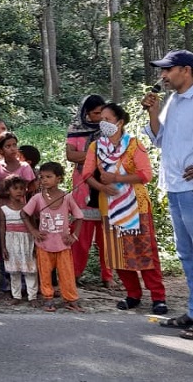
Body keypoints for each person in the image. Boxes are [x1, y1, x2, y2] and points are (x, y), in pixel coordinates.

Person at [83, 103, 167, 315]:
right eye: (101, 119)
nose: (104, 123)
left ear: (120, 122)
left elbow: (145, 175)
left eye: (108, 119)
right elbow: (86, 175)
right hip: (109, 206)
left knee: (145, 251)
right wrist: (102, 186)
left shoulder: (134, 144)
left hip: (136, 206)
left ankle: (158, 297)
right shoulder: (96, 147)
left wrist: (117, 178)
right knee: (117, 253)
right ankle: (133, 294)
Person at [142, 49, 193, 338]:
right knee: (187, 254)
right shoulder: (173, 101)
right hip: (174, 186)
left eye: (168, 70)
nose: (163, 75)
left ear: (185, 70)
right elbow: (159, 139)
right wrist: (152, 111)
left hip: (191, 189)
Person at [21, 162, 84, 312]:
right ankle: (48, 299)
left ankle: (71, 299)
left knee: (66, 273)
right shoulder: (37, 198)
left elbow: (79, 217)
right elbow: (24, 214)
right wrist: (34, 231)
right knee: (45, 273)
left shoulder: (67, 197)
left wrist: (74, 236)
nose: (44, 180)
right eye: (41, 177)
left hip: (63, 244)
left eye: (49, 177)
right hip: (44, 244)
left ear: (59, 179)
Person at [66, 94, 113, 288]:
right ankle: (74, 274)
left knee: (107, 237)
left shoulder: (110, 130)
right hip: (83, 186)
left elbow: (116, 153)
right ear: (86, 112)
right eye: (95, 113)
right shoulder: (75, 129)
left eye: (103, 113)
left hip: (106, 186)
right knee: (80, 236)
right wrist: (96, 153)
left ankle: (108, 277)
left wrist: (87, 157)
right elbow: (71, 155)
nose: (100, 117)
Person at [0, 175, 38, 307]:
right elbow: (2, 229)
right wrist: (3, 247)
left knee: (30, 269)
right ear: (8, 190)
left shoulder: (28, 207)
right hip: (11, 242)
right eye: (15, 188)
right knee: (14, 271)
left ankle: (32, 296)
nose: (19, 191)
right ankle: (16, 295)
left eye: (22, 188)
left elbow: (33, 226)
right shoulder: (3, 209)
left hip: (27, 241)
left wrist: (35, 245)